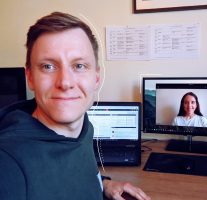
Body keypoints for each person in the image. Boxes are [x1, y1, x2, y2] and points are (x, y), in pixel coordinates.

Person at [0, 12, 150, 200]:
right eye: (48, 66)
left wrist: (104, 184)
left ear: (96, 78)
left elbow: (73, 172)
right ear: (30, 77)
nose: (65, 83)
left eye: (79, 66)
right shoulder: (7, 164)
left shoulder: (83, 125)